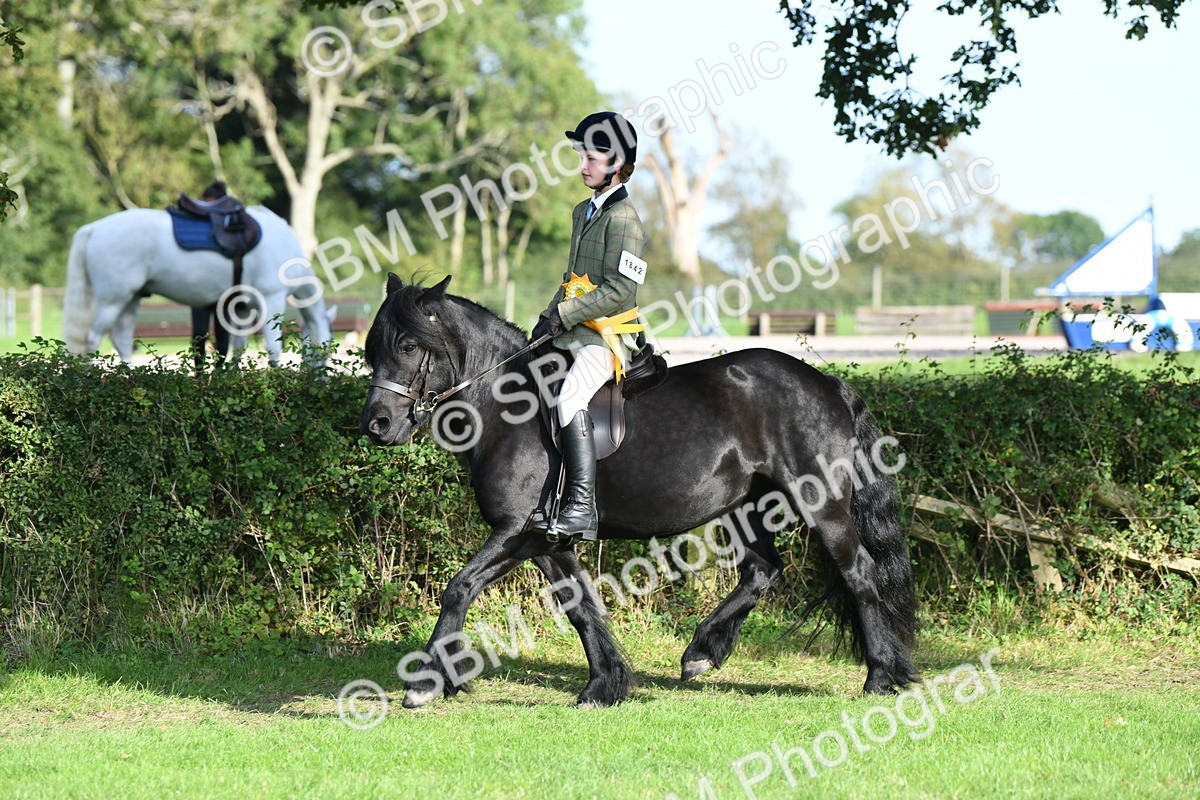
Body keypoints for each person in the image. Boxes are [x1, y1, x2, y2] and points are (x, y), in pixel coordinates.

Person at [531, 111, 647, 540]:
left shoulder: (625, 221)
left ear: (617, 165)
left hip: (609, 336)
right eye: (581, 155)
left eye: (592, 158)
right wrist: (547, 316)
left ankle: (581, 509)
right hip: (573, 330)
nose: (583, 165)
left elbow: (621, 291)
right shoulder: (583, 211)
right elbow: (572, 281)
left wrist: (563, 316)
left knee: (571, 397)